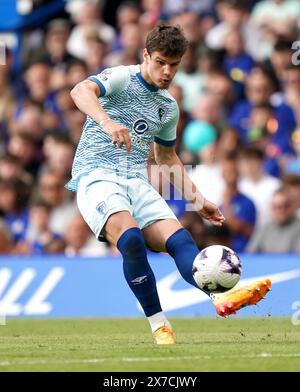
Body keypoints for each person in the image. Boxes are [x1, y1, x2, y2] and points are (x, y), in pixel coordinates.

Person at [67, 24, 271, 345]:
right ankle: (159, 324)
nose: (167, 71)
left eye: (174, 65)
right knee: (131, 239)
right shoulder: (122, 77)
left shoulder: (168, 106)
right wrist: (107, 121)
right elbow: (79, 91)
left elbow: (166, 157)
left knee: (180, 241)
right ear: (146, 55)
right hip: (97, 175)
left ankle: (219, 296)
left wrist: (197, 199)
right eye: (160, 62)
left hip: (136, 179)